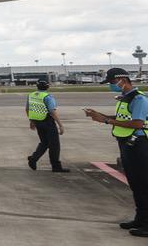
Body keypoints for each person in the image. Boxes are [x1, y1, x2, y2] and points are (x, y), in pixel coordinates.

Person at [83, 68, 148, 236]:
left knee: (143, 184)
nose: (111, 86)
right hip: (127, 143)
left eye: (112, 82)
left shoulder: (139, 98)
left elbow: (137, 123)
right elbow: (122, 119)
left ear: (122, 80)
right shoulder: (125, 98)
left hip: (139, 144)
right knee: (135, 184)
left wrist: (106, 120)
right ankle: (141, 219)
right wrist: (99, 115)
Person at [26, 79, 68, 173]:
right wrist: (60, 125)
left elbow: (27, 109)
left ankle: (33, 159)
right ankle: (56, 166)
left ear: (37, 86)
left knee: (44, 142)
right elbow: (52, 112)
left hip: (37, 122)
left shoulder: (31, 95)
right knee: (54, 145)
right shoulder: (48, 97)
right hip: (47, 122)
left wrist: (31, 121)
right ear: (48, 87)